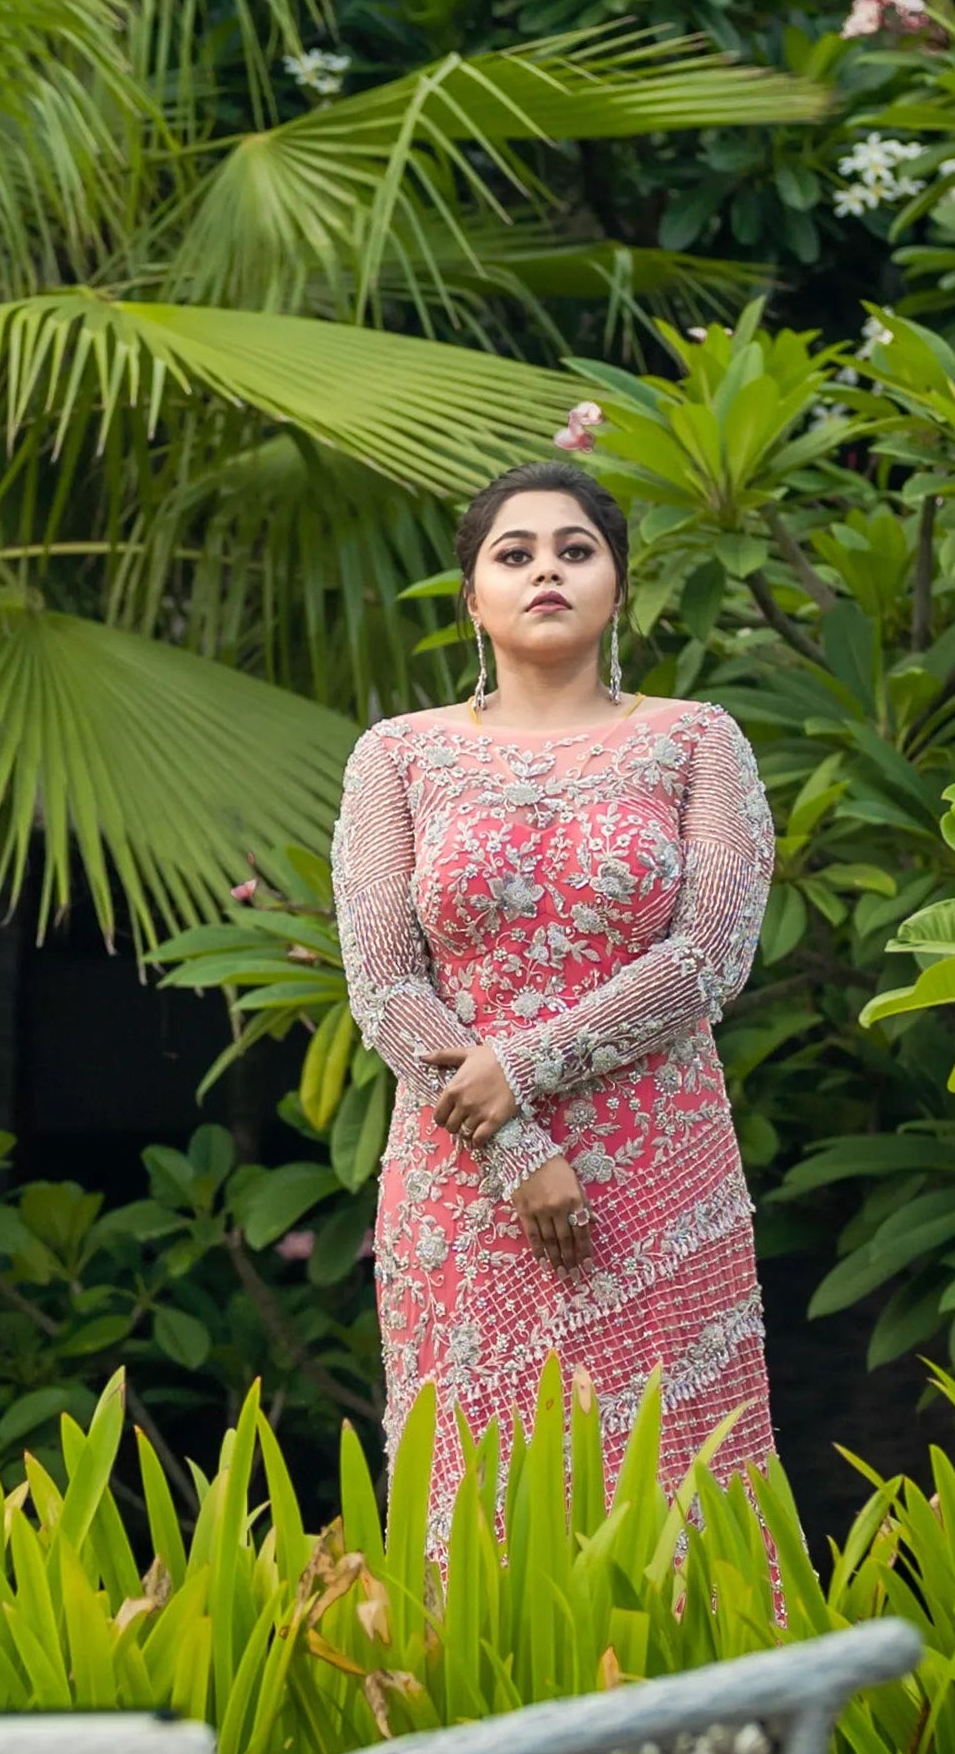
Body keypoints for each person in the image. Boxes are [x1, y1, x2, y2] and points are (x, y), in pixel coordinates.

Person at [332, 461, 778, 1514]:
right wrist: (513, 1143)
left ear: (616, 586)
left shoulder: (695, 739)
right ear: (471, 596)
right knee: (479, 1506)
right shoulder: (397, 757)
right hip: (463, 1177)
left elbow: (708, 956)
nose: (547, 571)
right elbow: (385, 981)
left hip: (659, 1172)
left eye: (576, 551)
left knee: (677, 1499)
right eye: (514, 553)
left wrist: (520, 1069)